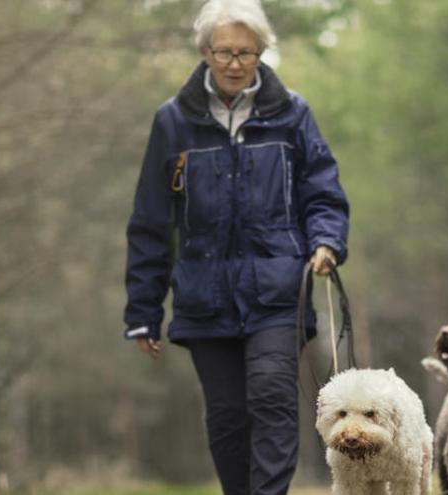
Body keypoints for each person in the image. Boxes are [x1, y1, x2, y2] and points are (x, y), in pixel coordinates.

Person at [123, 1, 349, 493]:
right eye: (223, 51)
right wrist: (143, 309)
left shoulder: (292, 112)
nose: (233, 63)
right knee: (227, 415)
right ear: (205, 52)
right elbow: (150, 221)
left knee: (272, 397)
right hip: (204, 295)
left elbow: (322, 188)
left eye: (245, 52)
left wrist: (327, 240)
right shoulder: (173, 122)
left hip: (277, 289)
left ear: (261, 53)